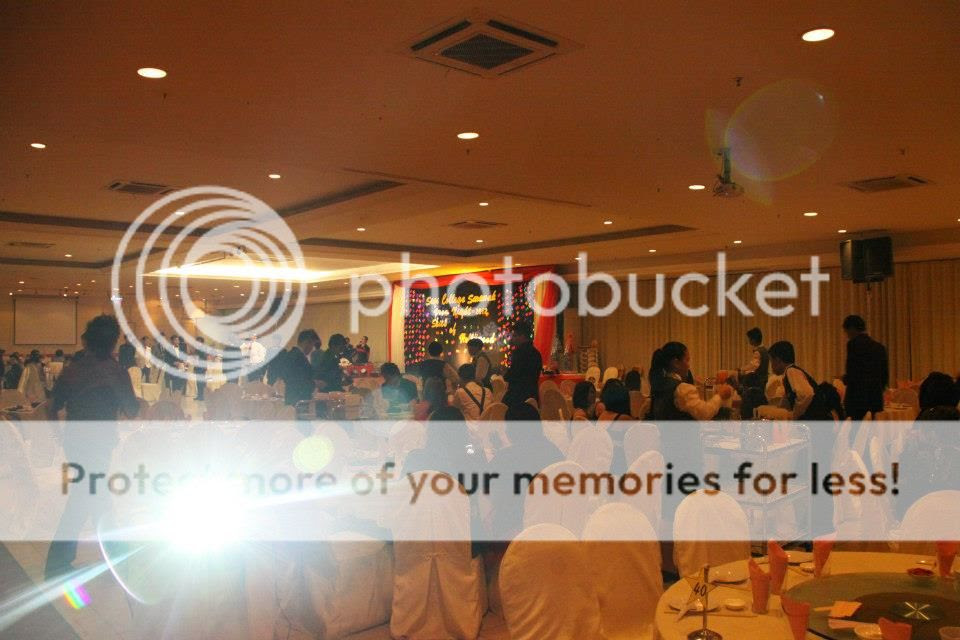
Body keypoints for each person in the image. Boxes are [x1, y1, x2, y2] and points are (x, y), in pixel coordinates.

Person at [45, 314, 138, 579]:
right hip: (99, 444)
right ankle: (115, 557)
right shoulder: (116, 372)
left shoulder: (72, 370)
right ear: (113, 342)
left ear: (87, 340)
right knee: (91, 498)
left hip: (75, 442)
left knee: (87, 497)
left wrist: (59, 436)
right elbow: (132, 410)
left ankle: (69, 561)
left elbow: (51, 408)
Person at [403, 406, 487, 542]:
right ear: (462, 432)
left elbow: (401, 498)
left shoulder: (415, 458)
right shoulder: (469, 462)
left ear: (431, 432)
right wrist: (470, 445)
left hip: (419, 537)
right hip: (464, 539)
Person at [487, 403, 563, 538]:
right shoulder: (554, 451)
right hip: (555, 526)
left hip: (516, 532)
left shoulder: (505, 458)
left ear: (510, 431)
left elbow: (491, 492)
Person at [895, 406, 960, 520]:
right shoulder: (948, 453)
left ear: (932, 435)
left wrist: (910, 450)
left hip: (922, 516)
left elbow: (906, 493)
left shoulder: (924, 458)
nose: (915, 433)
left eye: (920, 429)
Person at [841, 315, 888, 420]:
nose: (847, 335)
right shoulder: (880, 348)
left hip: (857, 397)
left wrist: (845, 379)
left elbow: (853, 371)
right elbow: (884, 375)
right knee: (872, 427)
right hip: (875, 396)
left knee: (855, 428)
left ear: (852, 329)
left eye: (846, 331)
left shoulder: (853, 344)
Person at [596, 379, 637, 473]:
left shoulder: (603, 414)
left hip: (604, 459)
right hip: (617, 462)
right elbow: (640, 430)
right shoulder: (623, 418)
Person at [501, 321, 542, 407]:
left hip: (518, 397)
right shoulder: (536, 353)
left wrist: (505, 374)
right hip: (532, 396)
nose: (513, 339)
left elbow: (514, 374)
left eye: (515, 336)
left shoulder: (519, 352)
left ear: (522, 336)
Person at [282, 329, 319, 407]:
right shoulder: (299, 358)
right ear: (307, 342)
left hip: (290, 396)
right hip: (300, 400)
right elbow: (301, 381)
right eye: (312, 345)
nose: (312, 348)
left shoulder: (290, 354)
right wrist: (315, 383)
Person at [193, 336, 208, 401]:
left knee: (201, 383)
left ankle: (201, 397)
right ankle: (199, 396)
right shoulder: (197, 349)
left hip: (201, 368)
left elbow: (204, 359)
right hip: (198, 368)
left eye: (199, 342)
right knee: (198, 383)